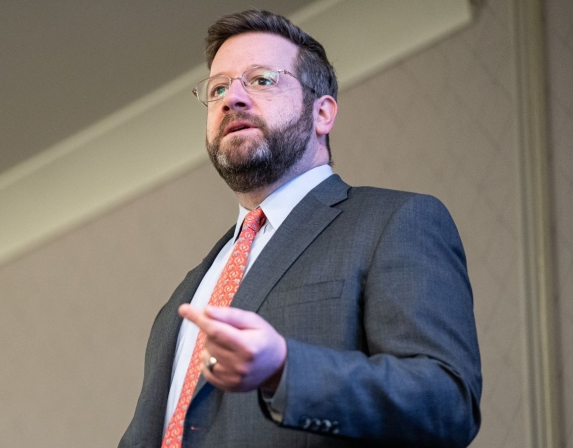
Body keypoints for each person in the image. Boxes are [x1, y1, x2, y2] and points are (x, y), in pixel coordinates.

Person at [119, 10, 481, 448]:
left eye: (262, 80)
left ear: (322, 112)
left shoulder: (395, 222)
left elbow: (447, 403)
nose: (232, 98)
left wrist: (285, 369)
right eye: (218, 88)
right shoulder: (183, 298)